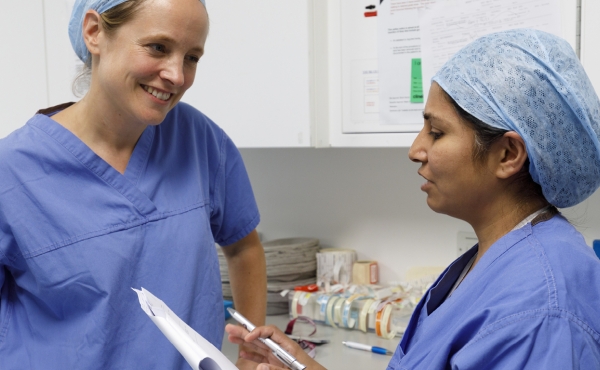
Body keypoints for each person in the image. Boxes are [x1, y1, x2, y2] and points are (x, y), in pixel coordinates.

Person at [226, 29, 600, 369]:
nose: (415, 149)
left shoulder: (540, 313)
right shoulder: (498, 258)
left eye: (436, 132)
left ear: (507, 155)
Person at [0, 0, 267, 369]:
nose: (177, 75)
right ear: (94, 32)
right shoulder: (11, 172)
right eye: (158, 47)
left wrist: (252, 352)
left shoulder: (198, 139)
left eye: (192, 57)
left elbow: (244, 248)